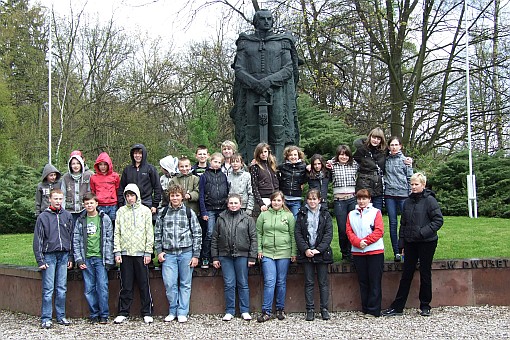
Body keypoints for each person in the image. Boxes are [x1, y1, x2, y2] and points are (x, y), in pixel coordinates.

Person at [232, 9, 300, 163]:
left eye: (269, 19)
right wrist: (255, 84)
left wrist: (268, 82)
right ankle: (251, 165)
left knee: (278, 129)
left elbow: (288, 68)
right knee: (251, 131)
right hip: (251, 91)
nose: (267, 22)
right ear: (256, 22)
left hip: (276, 92)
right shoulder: (245, 42)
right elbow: (239, 69)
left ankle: (278, 167)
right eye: (263, 19)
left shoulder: (282, 41)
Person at [383, 173, 444, 317]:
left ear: (423, 185)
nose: (414, 187)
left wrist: (422, 233)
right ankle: (398, 307)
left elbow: (438, 220)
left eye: (416, 184)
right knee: (406, 274)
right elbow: (403, 224)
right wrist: (401, 244)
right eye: (412, 184)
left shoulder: (430, 201)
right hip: (410, 242)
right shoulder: (408, 202)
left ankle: (425, 305)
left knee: (425, 272)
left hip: (427, 242)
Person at [155, 184, 202, 323]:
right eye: (172, 195)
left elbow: (197, 233)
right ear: (169, 197)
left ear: (182, 197)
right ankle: (173, 310)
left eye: (177, 195)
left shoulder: (189, 212)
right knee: (169, 283)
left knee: (185, 283)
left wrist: (195, 255)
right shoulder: (163, 212)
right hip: (169, 254)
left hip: (186, 252)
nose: (175, 198)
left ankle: (182, 311)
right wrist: (159, 251)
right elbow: (157, 233)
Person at [211, 194, 257, 321]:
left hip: (242, 255)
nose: (233, 205)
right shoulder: (221, 218)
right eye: (231, 203)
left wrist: (252, 257)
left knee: (243, 283)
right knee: (229, 284)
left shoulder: (248, 219)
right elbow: (215, 238)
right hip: (225, 256)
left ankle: (245, 310)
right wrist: (215, 257)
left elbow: (253, 239)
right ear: (227, 204)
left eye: (235, 203)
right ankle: (230, 311)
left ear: (240, 204)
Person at [113, 184, 154, 324]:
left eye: (132, 195)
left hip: (141, 253)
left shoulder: (145, 211)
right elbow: (116, 232)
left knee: (143, 284)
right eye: (128, 196)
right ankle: (123, 311)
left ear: (137, 196)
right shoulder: (121, 212)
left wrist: (148, 252)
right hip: (125, 253)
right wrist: (117, 251)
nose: (130, 198)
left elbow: (150, 232)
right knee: (126, 284)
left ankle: (147, 311)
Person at [33, 188, 74, 329]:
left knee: (62, 288)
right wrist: (40, 260)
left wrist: (70, 256)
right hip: (49, 256)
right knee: (48, 289)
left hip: (64, 256)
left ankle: (61, 316)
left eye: (60, 199)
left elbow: (71, 237)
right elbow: (37, 240)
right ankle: (46, 318)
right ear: (50, 199)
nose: (58, 201)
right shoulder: (43, 217)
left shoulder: (67, 216)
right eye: (55, 198)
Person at [73, 192, 114, 324]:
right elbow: (76, 240)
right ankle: (94, 314)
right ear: (84, 205)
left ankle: (104, 314)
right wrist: (79, 259)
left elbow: (109, 239)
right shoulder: (81, 220)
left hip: (100, 258)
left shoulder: (104, 218)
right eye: (87, 203)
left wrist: (109, 259)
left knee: (102, 287)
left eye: (91, 202)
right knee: (89, 288)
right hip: (87, 259)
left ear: (96, 203)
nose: (89, 205)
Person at [256, 191, 297, 322]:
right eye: (274, 200)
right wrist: (259, 249)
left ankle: (280, 309)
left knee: (281, 281)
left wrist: (293, 252)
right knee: (269, 281)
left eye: (279, 200)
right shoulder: (263, 215)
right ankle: (266, 311)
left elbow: (293, 235)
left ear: (283, 202)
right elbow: (258, 233)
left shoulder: (289, 216)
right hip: (267, 252)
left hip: (284, 252)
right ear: (270, 201)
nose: (276, 203)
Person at [294, 189, 333, 321]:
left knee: (323, 282)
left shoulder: (325, 214)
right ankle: (310, 309)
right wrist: (305, 249)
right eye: (310, 199)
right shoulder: (301, 213)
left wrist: (319, 249)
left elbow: (328, 234)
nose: (312, 201)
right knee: (309, 282)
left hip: (321, 253)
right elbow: (298, 233)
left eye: (314, 199)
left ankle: (324, 309)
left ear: (319, 200)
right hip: (306, 253)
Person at [346, 189, 384, 318]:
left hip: (375, 251)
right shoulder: (351, 214)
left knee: (374, 280)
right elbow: (349, 231)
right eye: (359, 199)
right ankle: (365, 308)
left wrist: (366, 242)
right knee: (363, 281)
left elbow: (379, 231)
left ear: (369, 199)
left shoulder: (376, 212)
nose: (361, 201)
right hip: (358, 252)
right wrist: (357, 242)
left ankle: (374, 310)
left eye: (364, 198)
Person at [384, 136, 413, 262]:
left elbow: (410, 177)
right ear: (389, 146)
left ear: (400, 146)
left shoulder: (405, 160)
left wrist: (411, 194)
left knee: (407, 223)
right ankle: (396, 251)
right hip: (390, 195)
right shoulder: (386, 160)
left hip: (403, 195)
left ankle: (406, 250)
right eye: (392, 145)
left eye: (396, 145)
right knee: (393, 223)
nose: (394, 147)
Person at [199, 152, 229, 269]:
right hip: (209, 209)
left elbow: (226, 191)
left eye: (219, 163)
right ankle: (205, 256)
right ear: (210, 161)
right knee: (210, 233)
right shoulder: (204, 176)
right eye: (215, 162)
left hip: (222, 208)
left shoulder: (223, 176)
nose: (217, 164)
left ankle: (219, 256)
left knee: (221, 233)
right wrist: (203, 211)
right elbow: (201, 195)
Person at [117, 143, 162, 222]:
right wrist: (121, 204)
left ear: (144, 154)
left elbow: (157, 187)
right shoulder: (127, 170)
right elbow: (121, 188)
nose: (138, 155)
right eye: (135, 153)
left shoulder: (150, 169)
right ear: (132, 155)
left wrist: (155, 205)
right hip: (130, 201)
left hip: (146, 201)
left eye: (140, 153)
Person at [331, 145, 358, 262]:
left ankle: (353, 251)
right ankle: (344, 253)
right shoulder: (332, 166)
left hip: (352, 198)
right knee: (342, 228)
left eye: (346, 154)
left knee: (353, 227)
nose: (344, 157)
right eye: (341, 154)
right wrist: (331, 161)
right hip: (339, 200)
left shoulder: (354, 164)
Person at [353, 128, 387, 211]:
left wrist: (407, 160)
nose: (375, 140)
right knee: (363, 212)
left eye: (378, 139)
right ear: (370, 137)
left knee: (376, 213)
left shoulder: (384, 152)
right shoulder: (362, 150)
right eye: (374, 137)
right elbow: (349, 159)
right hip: (364, 184)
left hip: (378, 186)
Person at [90, 152, 120, 226]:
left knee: (113, 225)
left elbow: (118, 189)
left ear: (108, 165)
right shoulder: (93, 178)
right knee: (101, 225)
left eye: (105, 164)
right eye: (100, 164)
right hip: (100, 205)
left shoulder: (115, 176)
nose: (103, 167)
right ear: (97, 165)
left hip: (112, 205)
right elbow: (93, 191)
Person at [249, 143, 279, 219]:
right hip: (263, 198)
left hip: (274, 198)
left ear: (268, 152)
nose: (263, 154)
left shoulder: (272, 165)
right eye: (261, 152)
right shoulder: (255, 167)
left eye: (265, 152)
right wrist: (260, 203)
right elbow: (254, 186)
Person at [277, 145, 307, 219]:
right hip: (284, 198)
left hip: (296, 199)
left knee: (296, 220)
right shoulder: (282, 167)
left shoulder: (303, 167)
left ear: (299, 155)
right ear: (287, 156)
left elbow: (309, 176)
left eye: (295, 155)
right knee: (283, 220)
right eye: (290, 155)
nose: (293, 157)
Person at [61, 153, 93, 223]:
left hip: (84, 210)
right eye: (73, 164)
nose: (76, 166)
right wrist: (62, 211)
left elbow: (91, 193)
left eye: (78, 163)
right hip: (70, 210)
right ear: (70, 165)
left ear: (81, 164)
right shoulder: (65, 177)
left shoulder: (89, 175)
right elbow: (63, 194)